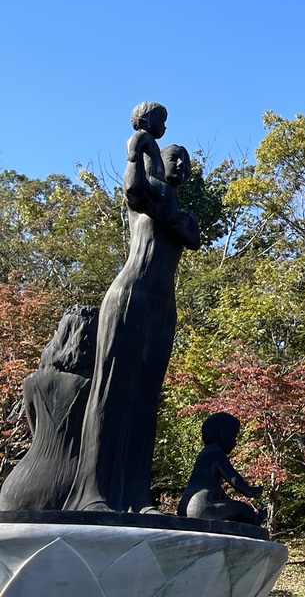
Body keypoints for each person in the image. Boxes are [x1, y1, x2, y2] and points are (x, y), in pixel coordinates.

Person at [64, 114, 200, 514]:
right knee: (110, 394)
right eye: (175, 157)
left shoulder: (174, 206)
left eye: (187, 163)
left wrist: (172, 213)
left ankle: (138, 496)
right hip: (129, 296)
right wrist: (139, 144)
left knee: (144, 399)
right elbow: (134, 191)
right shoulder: (147, 192)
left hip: (162, 304)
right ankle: (92, 493)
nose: (182, 166)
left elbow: (190, 236)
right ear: (158, 159)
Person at [0, 306, 98, 511]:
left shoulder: (32, 382)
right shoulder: (93, 385)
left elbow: (36, 431)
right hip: (70, 484)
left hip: (19, 482)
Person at [178, 413, 263, 525]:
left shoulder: (204, 454)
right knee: (243, 509)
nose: (235, 443)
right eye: (234, 437)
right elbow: (233, 478)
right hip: (203, 509)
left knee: (230, 505)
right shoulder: (216, 452)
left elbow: (218, 492)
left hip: (184, 508)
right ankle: (256, 519)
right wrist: (249, 490)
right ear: (224, 434)